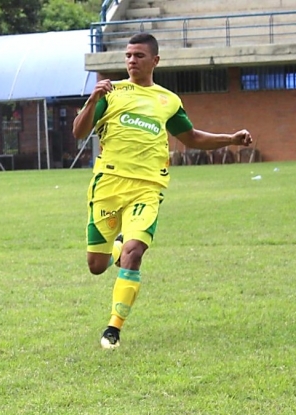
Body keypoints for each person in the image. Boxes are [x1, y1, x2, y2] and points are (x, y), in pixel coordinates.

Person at [72, 33, 252, 349]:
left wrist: (231, 139)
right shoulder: (110, 93)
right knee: (96, 266)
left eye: (139, 56)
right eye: (128, 55)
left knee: (135, 253)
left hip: (148, 188)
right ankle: (115, 247)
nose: (131, 61)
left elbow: (192, 136)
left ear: (155, 61)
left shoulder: (168, 100)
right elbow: (79, 132)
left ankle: (113, 329)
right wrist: (91, 101)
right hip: (108, 187)